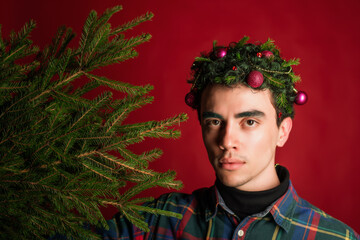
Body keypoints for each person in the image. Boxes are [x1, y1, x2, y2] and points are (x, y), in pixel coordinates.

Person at [101, 37, 359, 239]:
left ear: (283, 131)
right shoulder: (161, 218)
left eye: (249, 122)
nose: (226, 140)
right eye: (214, 122)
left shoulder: (334, 236)